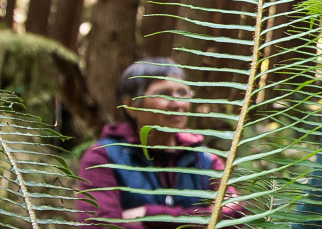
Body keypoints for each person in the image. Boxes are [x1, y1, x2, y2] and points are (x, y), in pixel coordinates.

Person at [76, 58, 245, 229]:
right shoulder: (103, 157)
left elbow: (234, 214)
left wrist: (149, 215)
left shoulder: (205, 160)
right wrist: (202, 218)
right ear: (131, 105)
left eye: (183, 93)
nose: (178, 103)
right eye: (164, 94)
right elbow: (101, 225)